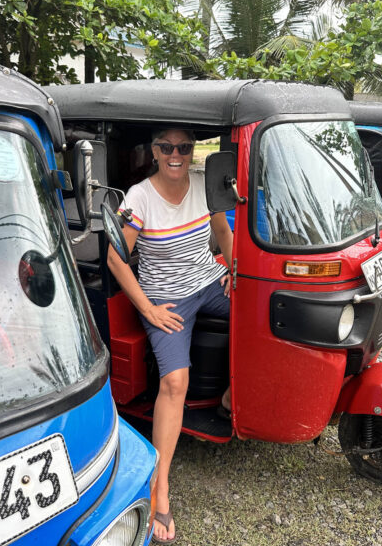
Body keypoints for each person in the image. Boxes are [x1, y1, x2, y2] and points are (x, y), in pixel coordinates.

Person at [107, 128, 233, 544]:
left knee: (266, 317)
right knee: (174, 381)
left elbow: (223, 231)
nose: (176, 155)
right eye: (167, 147)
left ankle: (234, 395)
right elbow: (114, 257)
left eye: (184, 147)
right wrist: (148, 308)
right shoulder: (139, 197)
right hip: (166, 298)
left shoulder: (203, 184)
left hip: (209, 281)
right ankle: (160, 487)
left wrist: (233, 270)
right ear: (154, 152)